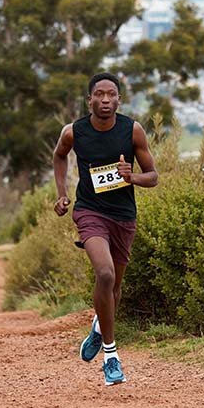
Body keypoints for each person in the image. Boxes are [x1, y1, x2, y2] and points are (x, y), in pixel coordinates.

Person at [52, 72, 158, 386]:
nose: (106, 100)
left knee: (115, 288)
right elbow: (59, 156)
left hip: (124, 215)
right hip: (89, 211)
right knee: (105, 274)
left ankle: (100, 328)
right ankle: (111, 357)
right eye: (99, 94)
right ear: (90, 100)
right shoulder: (74, 132)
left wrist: (132, 177)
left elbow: (153, 176)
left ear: (119, 99)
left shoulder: (132, 130)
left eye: (111, 94)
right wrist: (61, 193)